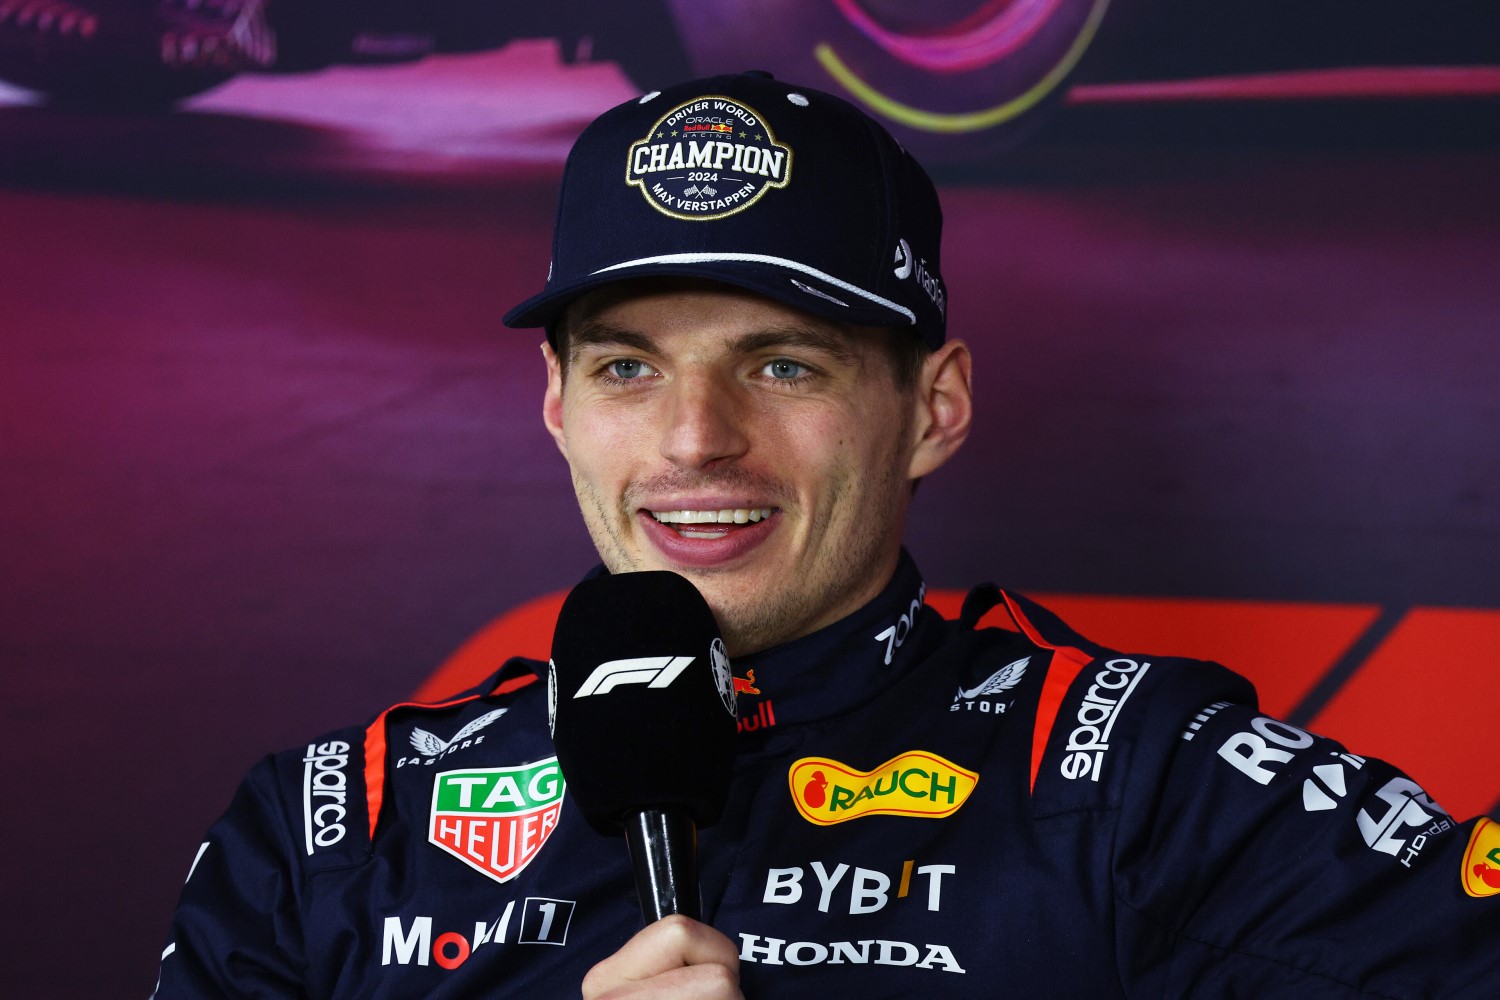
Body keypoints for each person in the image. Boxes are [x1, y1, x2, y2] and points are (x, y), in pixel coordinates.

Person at [151, 71, 1499, 999]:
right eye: (629, 370)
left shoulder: (1141, 783)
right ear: (556, 405)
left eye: (783, 365)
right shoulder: (329, 829)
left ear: (934, 408)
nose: (694, 440)